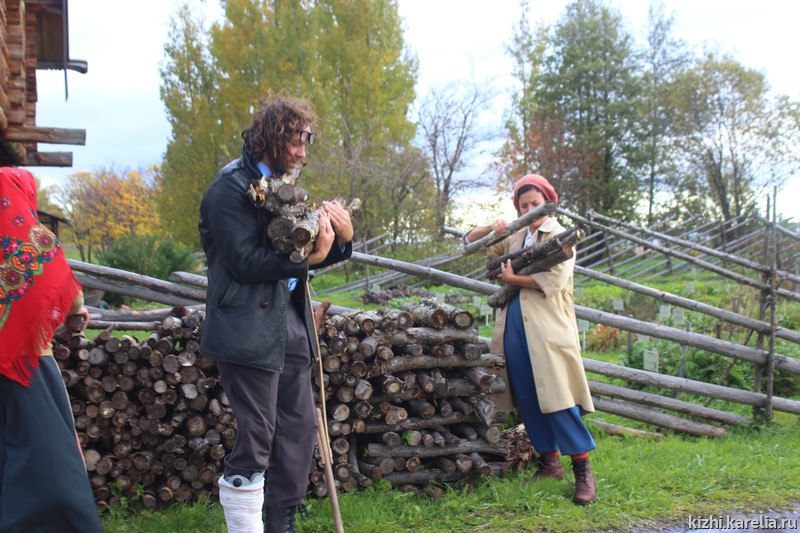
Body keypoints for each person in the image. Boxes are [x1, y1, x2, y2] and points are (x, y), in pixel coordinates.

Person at [199, 92, 353, 533]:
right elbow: (245, 263)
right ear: (270, 137)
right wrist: (311, 259)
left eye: (306, 141)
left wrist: (342, 240)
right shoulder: (228, 188)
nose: (303, 153)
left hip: (289, 319)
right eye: (296, 141)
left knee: (298, 426)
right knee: (258, 433)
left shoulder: (286, 186)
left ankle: (281, 521)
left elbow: (303, 251)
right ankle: (245, 525)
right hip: (246, 324)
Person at [463, 174, 597, 505]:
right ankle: (549, 463)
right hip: (514, 325)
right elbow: (470, 243)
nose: (529, 210)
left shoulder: (561, 234)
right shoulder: (516, 234)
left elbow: (553, 282)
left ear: (548, 203)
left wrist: (512, 278)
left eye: (534, 204)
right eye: (523, 205)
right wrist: (491, 227)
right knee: (527, 396)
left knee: (557, 398)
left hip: (547, 328)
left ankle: (582, 469)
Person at [0, 167, 104, 532]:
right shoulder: (19, 223)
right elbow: (55, 276)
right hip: (25, 365)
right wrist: (76, 309)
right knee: (53, 470)